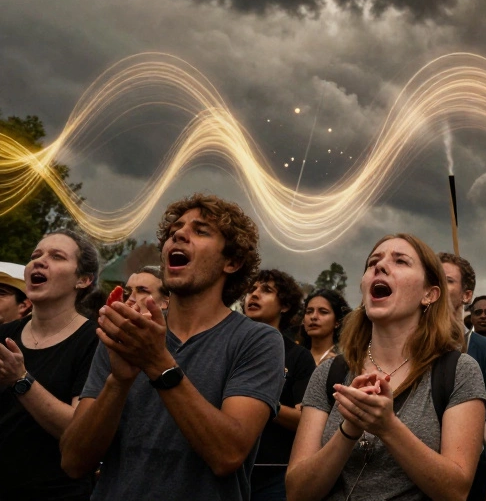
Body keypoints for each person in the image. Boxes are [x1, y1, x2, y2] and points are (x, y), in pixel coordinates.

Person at [61, 194, 286, 501]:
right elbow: (74, 462)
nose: (179, 234)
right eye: (174, 230)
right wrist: (119, 381)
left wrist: (157, 363)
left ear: (231, 262)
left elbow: (228, 455)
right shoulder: (129, 334)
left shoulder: (257, 341)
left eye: (201, 230)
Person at [287, 233, 486, 501]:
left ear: (429, 294)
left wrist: (388, 427)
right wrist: (349, 429)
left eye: (401, 261)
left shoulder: (459, 371)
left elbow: (455, 491)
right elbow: (297, 492)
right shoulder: (330, 373)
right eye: (373, 263)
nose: (379, 267)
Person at [0, 230, 101, 500]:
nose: (39, 262)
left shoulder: (96, 341)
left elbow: (81, 431)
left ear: (83, 280)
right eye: (36, 256)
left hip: (56, 493)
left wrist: (21, 379)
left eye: (57, 257)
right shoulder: (4, 334)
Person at [243, 268, 316, 501]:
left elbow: (305, 421)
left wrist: (261, 402)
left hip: (273, 474)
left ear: (284, 306)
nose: (254, 295)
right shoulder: (229, 346)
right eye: (251, 289)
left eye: (266, 290)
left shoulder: (298, 357)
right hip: (226, 468)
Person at [439, 252, 486, 501]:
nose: (439, 286)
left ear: (467, 295)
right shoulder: (409, 346)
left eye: (448, 280)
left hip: (467, 465)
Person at [301, 288, 351, 367]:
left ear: (337, 321)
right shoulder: (295, 355)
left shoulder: (346, 359)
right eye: (309, 311)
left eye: (323, 312)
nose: (313, 317)